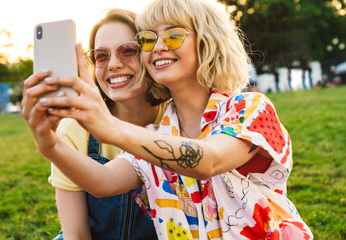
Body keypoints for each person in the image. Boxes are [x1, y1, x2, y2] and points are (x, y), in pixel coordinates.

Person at [22, 0, 313, 239]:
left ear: (207, 42)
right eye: (148, 39)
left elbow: (207, 161)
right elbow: (103, 182)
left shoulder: (250, 109)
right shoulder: (156, 132)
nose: (158, 46)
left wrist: (109, 128)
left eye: (173, 35)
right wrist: (49, 144)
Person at [23, 8, 170, 240]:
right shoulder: (73, 129)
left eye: (128, 51)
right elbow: (77, 235)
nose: (113, 64)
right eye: (101, 56)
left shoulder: (175, 120)